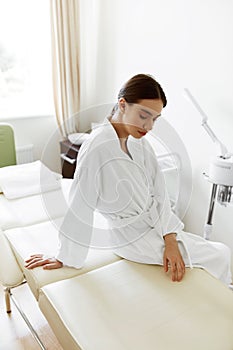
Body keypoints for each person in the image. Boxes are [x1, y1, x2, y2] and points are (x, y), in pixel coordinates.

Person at [25, 74, 232, 285]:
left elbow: (160, 193)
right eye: (144, 115)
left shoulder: (139, 142)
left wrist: (170, 237)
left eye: (155, 119)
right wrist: (64, 256)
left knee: (221, 251)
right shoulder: (97, 147)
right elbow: (81, 203)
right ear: (122, 105)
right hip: (131, 238)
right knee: (220, 255)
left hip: (156, 228)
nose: (149, 126)